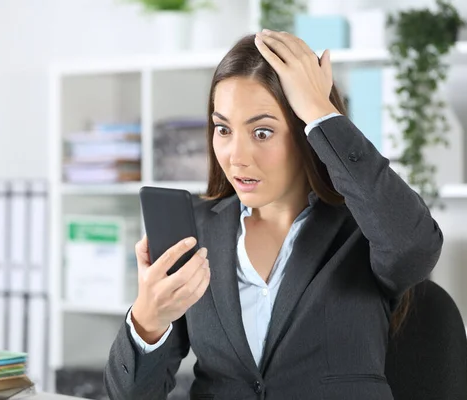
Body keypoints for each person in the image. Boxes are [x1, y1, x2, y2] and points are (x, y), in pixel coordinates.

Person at [104, 30, 443, 400]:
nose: (236, 156)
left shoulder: (364, 229)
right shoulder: (197, 229)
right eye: (223, 129)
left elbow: (416, 246)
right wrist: (147, 321)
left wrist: (320, 112)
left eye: (262, 132)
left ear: (304, 133)